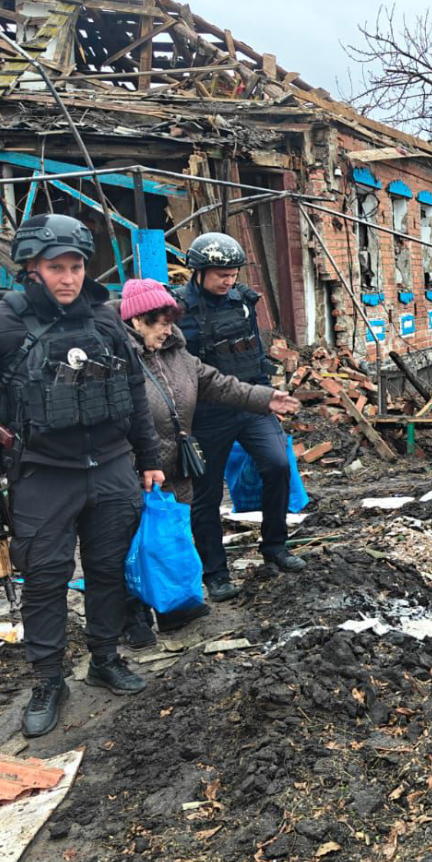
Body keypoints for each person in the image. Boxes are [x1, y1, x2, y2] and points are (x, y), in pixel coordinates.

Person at [0, 214, 164, 738]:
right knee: (44, 579)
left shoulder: (105, 320)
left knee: (107, 571)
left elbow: (132, 396)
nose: (68, 277)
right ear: (32, 269)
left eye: (76, 266)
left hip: (109, 469)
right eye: (55, 267)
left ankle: (105, 657)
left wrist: (149, 459)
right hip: (41, 474)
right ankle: (48, 679)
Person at [118, 278, 299, 644]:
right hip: (131, 465)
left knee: (170, 535)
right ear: (136, 321)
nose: (169, 331)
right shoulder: (117, 358)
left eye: (171, 322)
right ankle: (132, 617)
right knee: (131, 539)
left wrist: (265, 399)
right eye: (161, 323)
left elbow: (218, 384)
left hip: (172, 463)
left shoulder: (176, 354)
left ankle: (173, 608)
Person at [177, 233, 305, 601]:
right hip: (206, 416)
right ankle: (215, 573)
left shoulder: (244, 303)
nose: (228, 281)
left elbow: (254, 355)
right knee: (205, 495)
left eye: (233, 274)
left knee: (278, 465)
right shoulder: (178, 310)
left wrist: (267, 400)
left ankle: (275, 546)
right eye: (221, 274)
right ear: (199, 271)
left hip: (251, 405)